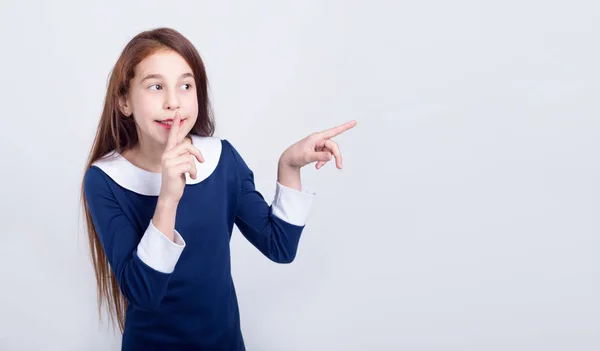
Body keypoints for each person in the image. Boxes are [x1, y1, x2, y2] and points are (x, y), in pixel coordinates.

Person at [81, 27, 356, 350]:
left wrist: (289, 166)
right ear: (124, 101)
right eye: (156, 87)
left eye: (185, 85)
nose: (173, 102)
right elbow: (144, 293)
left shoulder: (221, 159)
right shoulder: (104, 179)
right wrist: (168, 198)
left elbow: (279, 246)